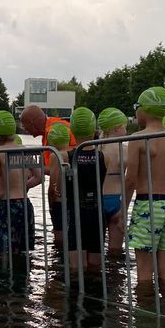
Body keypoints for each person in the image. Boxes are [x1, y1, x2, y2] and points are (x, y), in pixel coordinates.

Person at [124, 87, 165, 284]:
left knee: (144, 270)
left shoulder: (138, 139)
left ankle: (145, 311)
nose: (135, 111)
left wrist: (122, 209)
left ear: (145, 109)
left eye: (137, 107)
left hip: (149, 204)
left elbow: (130, 178)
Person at [57, 107, 107, 270]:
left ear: (71, 129)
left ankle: (77, 292)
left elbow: (58, 186)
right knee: (96, 264)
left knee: (76, 266)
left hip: (74, 210)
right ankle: (97, 292)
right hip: (97, 212)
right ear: (94, 128)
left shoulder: (65, 156)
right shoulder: (104, 156)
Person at [21, 104, 75, 245]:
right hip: (71, 191)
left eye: (25, 125)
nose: (24, 129)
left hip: (66, 193)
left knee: (62, 239)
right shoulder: (52, 128)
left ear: (32, 122)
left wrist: (33, 168)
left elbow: (59, 168)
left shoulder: (53, 132)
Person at [0, 111, 42, 256]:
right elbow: (39, 176)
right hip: (25, 204)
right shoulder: (25, 151)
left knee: (5, 249)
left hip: (7, 206)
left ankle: (5, 276)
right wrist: (24, 187)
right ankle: (24, 277)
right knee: (23, 250)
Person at [97, 107, 128, 255]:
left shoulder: (96, 148)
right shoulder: (125, 149)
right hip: (117, 201)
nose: (126, 131)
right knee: (115, 251)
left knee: (96, 250)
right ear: (117, 128)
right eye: (125, 127)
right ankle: (116, 276)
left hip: (98, 200)